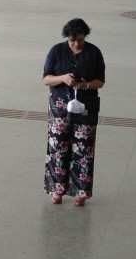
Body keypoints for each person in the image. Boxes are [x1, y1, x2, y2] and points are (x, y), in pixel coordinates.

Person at [43, 18, 106, 206]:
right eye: (72, 40)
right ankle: (57, 189)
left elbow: (100, 82)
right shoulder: (56, 51)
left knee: (84, 149)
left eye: (80, 39)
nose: (77, 44)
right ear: (66, 38)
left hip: (85, 108)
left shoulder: (94, 53)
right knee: (57, 148)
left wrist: (83, 84)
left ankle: (81, 191)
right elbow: (46, 79)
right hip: (59, 108)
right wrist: (62, 78)